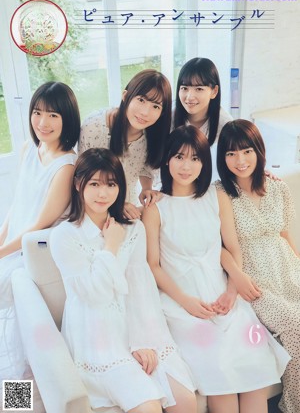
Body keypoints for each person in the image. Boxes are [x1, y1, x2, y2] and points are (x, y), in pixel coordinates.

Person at [142, 125, 290, 413]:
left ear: (205, 163)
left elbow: (233, 249)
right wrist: (186, 302)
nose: (187, 166)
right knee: (219, 367)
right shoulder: (156, 207)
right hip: (182, 305)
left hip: (226, 297)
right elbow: (153, 265)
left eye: (195, 158)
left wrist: (232, 291)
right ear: (166, 161)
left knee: (254, 363)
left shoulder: (215, 196)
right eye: (179, 157)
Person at [50, 148, 196, 413]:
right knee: (148, 407)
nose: (102, 193)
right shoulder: (64, 236)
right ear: (78, 183)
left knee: (186, 401)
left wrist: (141, 341)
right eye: (94, 184)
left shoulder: (133, 228)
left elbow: (141, 289)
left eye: (111, 184)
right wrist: (111, 246)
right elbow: (95, 295)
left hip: (136, 328)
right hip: (96, 337)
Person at [216, 119, 300, 413]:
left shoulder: (278, 188)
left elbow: (285, 234)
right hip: (255, 279)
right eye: (230, 153)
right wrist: (237, 277)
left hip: (287, 270)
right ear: (222, 158)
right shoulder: (221, 194)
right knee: (294, 323)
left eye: (247, 151)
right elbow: (221, 247)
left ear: (259, 150)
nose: (240, 160)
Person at [0, 81, 80, 380]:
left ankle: (20, 401)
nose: (42, 122)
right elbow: (16, 206)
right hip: (12, 250)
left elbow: (39, 225)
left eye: (53, 115)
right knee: (14, 340)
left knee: (21, 343)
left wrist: (2, 253)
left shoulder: (66, 166)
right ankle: (17, 400)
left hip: (32, 257)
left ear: (67, 119)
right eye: (37, 112)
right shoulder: (27, 149)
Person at [78, 69, 172, 219]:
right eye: (141, 100)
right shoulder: (94, 127)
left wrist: (147, 189)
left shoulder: (153, 135)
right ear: (125, 96)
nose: (145, 112)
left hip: (128, 209)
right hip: (92, 209)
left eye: (156, 106)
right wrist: (117, 206)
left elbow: (144, 167)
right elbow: (82, 178)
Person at [173, 58, 232, 180]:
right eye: (184, 88)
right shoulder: (169, 117)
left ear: (214, 91)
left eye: (199, 89)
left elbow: (240, 153)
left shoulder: (225, 123)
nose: (189, 97)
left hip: (205, 180)